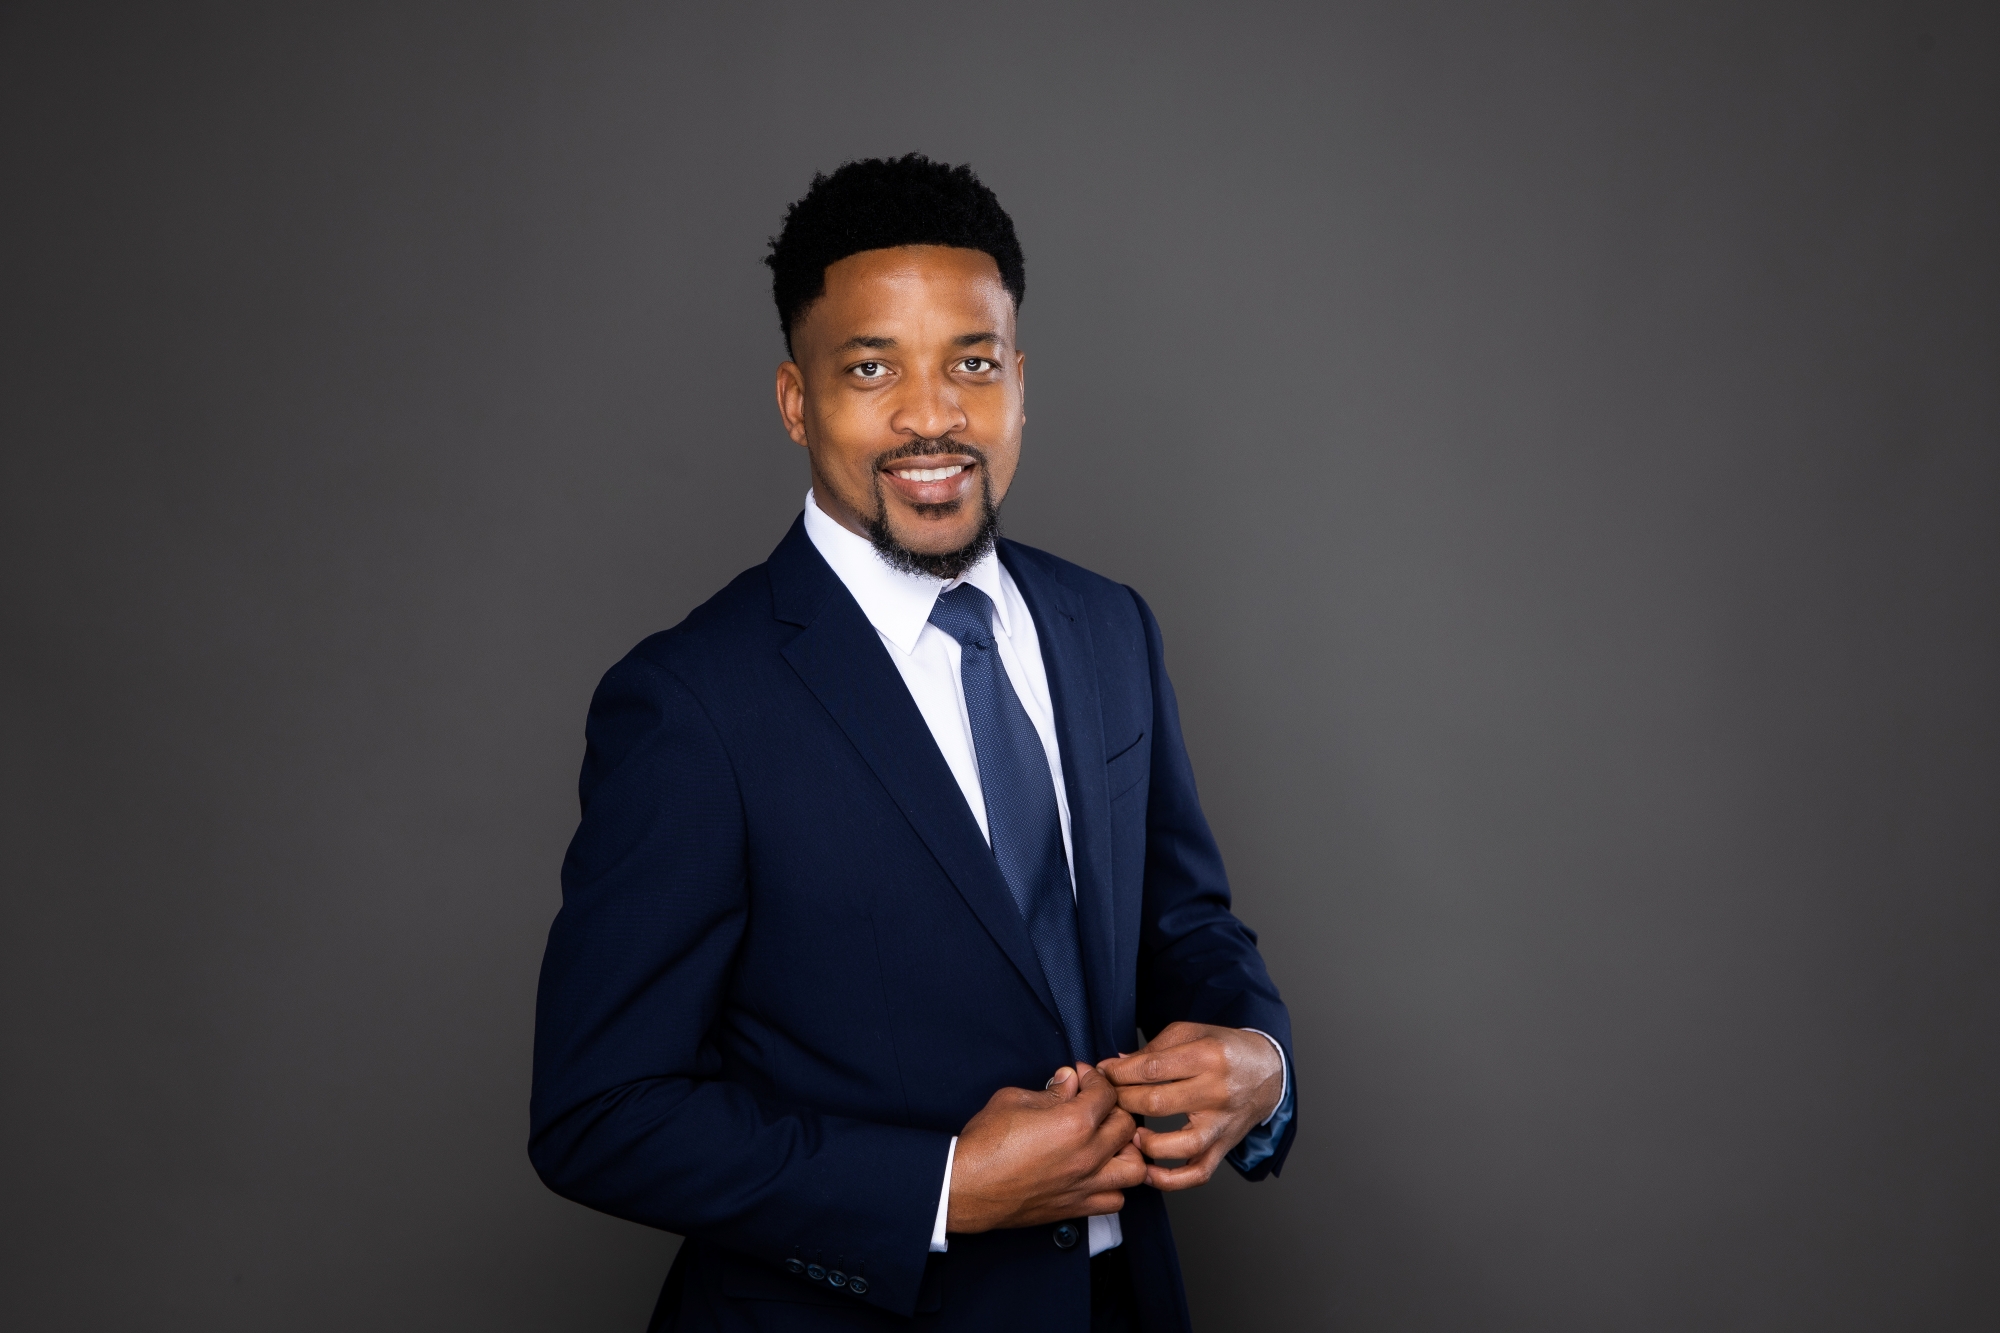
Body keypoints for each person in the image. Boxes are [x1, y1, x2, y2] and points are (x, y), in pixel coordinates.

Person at [530, 154, 1296, 1333]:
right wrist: (941, 1187)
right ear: (796, 400)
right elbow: (600, 1110)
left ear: (1020, 385)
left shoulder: (1106, 628)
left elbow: (1185, 926)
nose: (932, 415)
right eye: (871, 367)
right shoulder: (690, 700)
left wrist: (1256, 1055)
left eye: (971, 364)